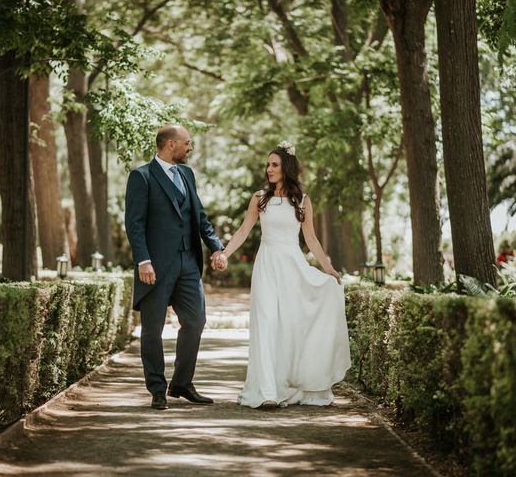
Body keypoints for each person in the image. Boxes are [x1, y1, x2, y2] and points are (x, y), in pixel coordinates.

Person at [219, 141, 351, 408]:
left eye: (274, 165)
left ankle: (289, 384)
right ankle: (267, 391)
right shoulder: (259, 198)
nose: (269, 169)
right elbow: (244, 231)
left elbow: (311, 239)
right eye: (267, 165)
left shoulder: (303, 201)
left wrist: (328, 268)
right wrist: (224, 253)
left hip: (292, 266)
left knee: (289, 327)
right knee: (265, 324)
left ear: (286, 168)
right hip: (266, 265)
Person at [125, 124, 227, 410]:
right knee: (152, 330)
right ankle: (157, 388)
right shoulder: (141, 176)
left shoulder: (187, 174)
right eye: (187, 143)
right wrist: (143, 260)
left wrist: (216, 246)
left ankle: (181, 383)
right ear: (170, 144)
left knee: (195, 321)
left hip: (188, 263)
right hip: (154, 266)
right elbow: (134, 224)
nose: (190, 148)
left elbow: (200, 217)